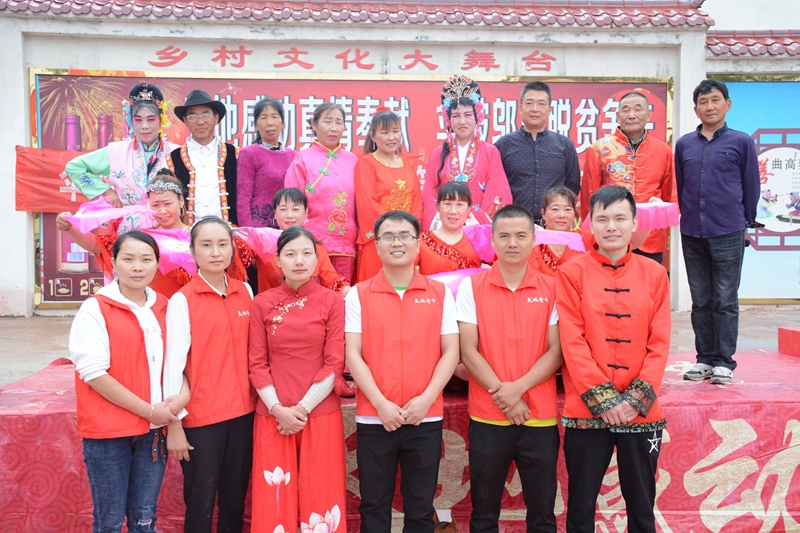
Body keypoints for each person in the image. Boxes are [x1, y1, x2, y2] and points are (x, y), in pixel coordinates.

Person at [557, 186, 671, 533]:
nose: (611, 227)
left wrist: (633, 400)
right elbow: (572, 341)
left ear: (634, 223)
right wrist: (604, 399)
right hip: (587, 408)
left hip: (640, 409)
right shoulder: (571, 272)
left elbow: (660, 342)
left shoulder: (654, 273)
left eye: (620, 218)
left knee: (642, 506)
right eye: (602, 219)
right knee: (580, 507)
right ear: (590, 224)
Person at [345, 210, 459, 532]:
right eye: (389, 236)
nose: (397, 242)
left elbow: (451, 352)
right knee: (374, 507)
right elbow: (352, 354)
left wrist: (426, 399)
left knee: (420, 509)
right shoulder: (359, 294)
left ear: (418, 242)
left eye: (405, 235)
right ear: (377, 245)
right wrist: (380, 404)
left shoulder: (439, 293)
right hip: (375, 417)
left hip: (424, 416)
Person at [68, 231, 188, 532]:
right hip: (109, 432)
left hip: (153, 432)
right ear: (113, 262)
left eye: (146, 259)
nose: (137, 267)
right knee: (109, 521)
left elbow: (179, 361)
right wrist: (150, 411)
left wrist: (180, 400)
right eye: (128, 259)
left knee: (144, 518)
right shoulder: (96, 308)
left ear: (157, 264)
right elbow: (94, 373)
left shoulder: (165, 306)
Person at [456, 204, 562, 533]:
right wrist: (505, 396)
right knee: (484, 514)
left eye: (520, 235)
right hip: (488, 416)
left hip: (539, 415)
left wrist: (517, 389)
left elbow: (557, 351)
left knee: (542, 515)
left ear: (534, 239)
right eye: (504, 236)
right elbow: (467, 350)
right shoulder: (471, 287)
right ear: (492, 240)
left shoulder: (552, 288)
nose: (512, 243)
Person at [248, 225, 347, 533]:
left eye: (307, 253)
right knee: (273, 499)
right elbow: (256, 364)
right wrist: (278, 409)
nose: (299, 261)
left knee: (322, 494)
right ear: (278, 260)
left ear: (318, 260)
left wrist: (302, 409)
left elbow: (334, 363)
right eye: (290, 254)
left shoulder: (333, 302)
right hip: (273, 415)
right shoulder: (261, 302)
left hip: (319, 413)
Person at [163, 217, 257, 533]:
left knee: (235, 500)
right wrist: (174, 424)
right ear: (192, 251)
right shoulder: (183, 300)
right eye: (206, 245)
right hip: (202, 419)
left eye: (222, 244)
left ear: (232, 249)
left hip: (244, 414)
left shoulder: (246, 291)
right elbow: (173, 367)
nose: (215, 252)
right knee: (200, 501)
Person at [676, 79, 760, 385]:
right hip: (692, 231)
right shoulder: (684, 144)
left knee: (725, 298)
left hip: (728, 229)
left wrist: (744, 221)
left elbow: (751, 186)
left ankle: (724, 361)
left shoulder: (741, 142)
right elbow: (681, 186)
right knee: (701, 298)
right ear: (695, 109)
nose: (709, 107)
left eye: (715, 100)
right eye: (703, 102)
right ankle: (705, 359)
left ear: (727, 104)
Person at [56, 169, 191, 297]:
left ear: (180, 201)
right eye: (155, 205)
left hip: (188, 307)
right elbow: (97, 245)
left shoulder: (197, 236)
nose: (162, 211)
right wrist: (70, 227)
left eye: (168, 204)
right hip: (153, 307)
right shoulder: (145, 238)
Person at [66, 82, 178, 232]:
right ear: (131, 120)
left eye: (151, 119)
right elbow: (74, 167)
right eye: (138, 120)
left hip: (166, 227)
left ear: (161, 119)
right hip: (128, 230)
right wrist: (106, 192)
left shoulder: (177, 152)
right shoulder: (116, 152)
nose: (144, 126)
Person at [580, 90, 676, 264]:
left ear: (648, 114)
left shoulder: (663, 150)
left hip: (651, 238)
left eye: (638, 109)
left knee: (650, 280)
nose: (631, 115)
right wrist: (591, 237)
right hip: (610, 235)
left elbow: (669, 198)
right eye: (625, 110)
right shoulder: (600, 149)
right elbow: (589, 197)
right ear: (617, 116)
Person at [421, 75, 511, 229]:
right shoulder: (438, 154)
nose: (462, 121)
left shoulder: (490, 152)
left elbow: (497, 192)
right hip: (444, 227)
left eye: (468, 115)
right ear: (448, 120)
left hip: (478, 229)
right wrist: (444, 221)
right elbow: (429, 195)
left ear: (477, 117)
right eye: (456, 116)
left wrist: (472, 221)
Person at [284, 102, 358, 282]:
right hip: (311, 244)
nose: (334, 128)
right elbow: (292, 204)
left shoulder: (353, 160)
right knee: (312, 294)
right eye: (328, 121)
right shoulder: (302, 159)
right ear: (314, 125)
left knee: (343, 293)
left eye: (339, 122)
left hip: (347, 245)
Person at [494, 81, 580, 223]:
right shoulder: (503, 145)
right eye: (529, 103)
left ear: (550, 109)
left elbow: (572, 186)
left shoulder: (565, 145)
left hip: (552, 225)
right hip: (514, 223)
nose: (535, 109)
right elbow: (496, 186)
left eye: (541, 104)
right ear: (520, 108)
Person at [354, 110, 422, 282]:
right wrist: (393, 231)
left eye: (395, 131)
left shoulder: (408, 164)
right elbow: (367, 204)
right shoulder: (366, 163)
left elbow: (416, 202)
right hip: (379, 239)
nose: (391, 137)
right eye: (385, 132)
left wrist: (408, 232)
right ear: (373, 136)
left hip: (406, 241)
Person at [256, 187, 350, 296]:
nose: (289, 215)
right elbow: (241, 253)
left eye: (295, 209)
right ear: (275, 214)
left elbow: (332, 281)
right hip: (270, 304)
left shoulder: (315, 248)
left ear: (306, 213)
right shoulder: (261, 241)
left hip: (308, 305)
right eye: (283, 209)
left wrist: (356, 295)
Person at [169, 90, 239, 225]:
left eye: (206, 115)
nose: (200, 122)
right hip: (189, 233)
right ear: (185, 120)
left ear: (216, 118)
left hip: (229, 232)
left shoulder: (234, 154)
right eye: (193, 116)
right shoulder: (173, 159)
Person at [237, 97, 297, 229]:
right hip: (260, 229)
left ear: (282, 123)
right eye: (264, 118)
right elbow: (243, 197)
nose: (270, 123)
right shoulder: (249, 153)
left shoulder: (294, 156)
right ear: (256, 125)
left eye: (275, 117)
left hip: (289, 227)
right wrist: (248, 231)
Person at [528, 187, 594, 277]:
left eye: (567, 209)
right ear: (543, 213)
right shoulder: (533, 241)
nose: (562, 215)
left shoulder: (584, 238)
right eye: (555, 209)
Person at [418, 181, 481, 275]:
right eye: (447, 204)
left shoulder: (478, 241)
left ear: (468, 209)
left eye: (460, 205)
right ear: (438, 207)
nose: (453, 211)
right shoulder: (421, 241)